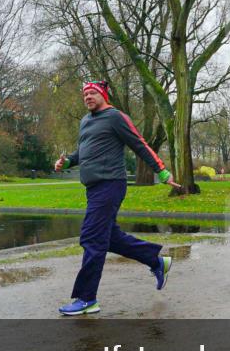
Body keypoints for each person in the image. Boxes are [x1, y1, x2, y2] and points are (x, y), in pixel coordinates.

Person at [54, 80, 180, 316]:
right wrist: (67, 162)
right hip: (93, 188)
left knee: (91, 238)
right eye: (85, 94)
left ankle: (87, 298)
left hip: (110, 184)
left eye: (92, 93)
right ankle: (155, 260)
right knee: (108, 237)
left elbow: (139, 144)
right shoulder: (85, 121)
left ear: (103, 95)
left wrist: (161, 171)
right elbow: (83, 152)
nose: (88, 97)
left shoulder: (115, 117)